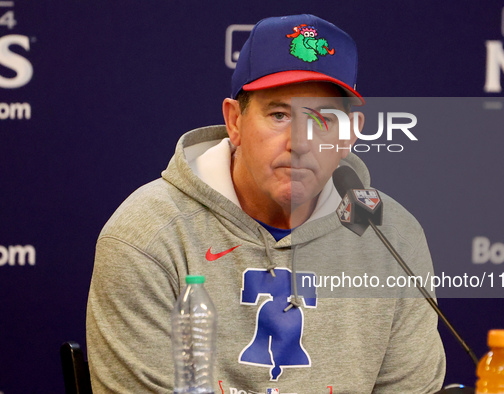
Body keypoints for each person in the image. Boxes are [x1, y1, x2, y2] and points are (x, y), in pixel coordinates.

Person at [87, 14, 445, 393]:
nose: (300, 142)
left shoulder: (395, 238)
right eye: (279, 115)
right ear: (234, 121)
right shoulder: (145, 235)